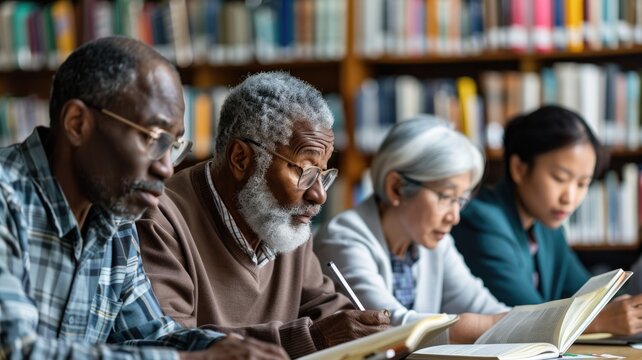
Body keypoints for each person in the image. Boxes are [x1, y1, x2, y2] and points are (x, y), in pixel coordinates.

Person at [0, 36, 288, 359]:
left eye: (174, 146)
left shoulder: (116, 218)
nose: (166, 168)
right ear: (77, 124)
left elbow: (147, 335)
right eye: (153, 138)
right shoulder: (5, 199)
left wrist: (223, 348)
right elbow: (16, 351)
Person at [132, 71, 390, 358]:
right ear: (241, 158)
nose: (319, 194)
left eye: (324, 175)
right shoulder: (159, 219)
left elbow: (325, 312)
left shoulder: (286, 224)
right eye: (305, 172)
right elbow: (171, 346)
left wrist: (361, 331)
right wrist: (311, 338)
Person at [314, 116, 509, 344]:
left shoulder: (434, 241)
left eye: (461, 200)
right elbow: (389, 327)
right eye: (446, 197)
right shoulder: (342, 238)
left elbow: (484, 307)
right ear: (396, 188)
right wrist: (486, 324)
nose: (455, 217)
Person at [451, 105, 642, 336]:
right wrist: (600, 320)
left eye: (583, 184)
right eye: (560, 178)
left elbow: (589, 295)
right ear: (519, 168)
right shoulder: (480, 221)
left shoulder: (547, 227)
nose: (569, 198)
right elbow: (527, 316)